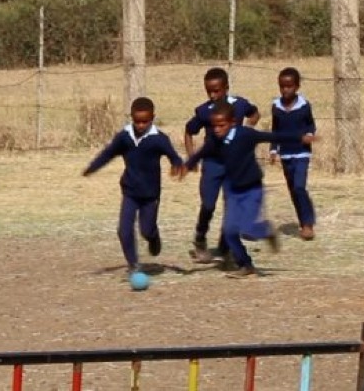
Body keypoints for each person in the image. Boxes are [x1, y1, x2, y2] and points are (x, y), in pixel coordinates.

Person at [184, 101, 313, 278]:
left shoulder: (246, 134)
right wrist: (187, 165)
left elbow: (272, 136)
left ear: (232, 122)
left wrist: (300, 137)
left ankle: (266, 230)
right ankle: (246, 265)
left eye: (221, 125)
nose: (217, 129)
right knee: (229, 232)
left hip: (252, 188)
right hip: (232, 189)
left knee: (248, 229)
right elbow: (203, 152)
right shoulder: (215, 139)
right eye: (214, 126)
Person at [82, 97, 184, 272]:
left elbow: (173, 156)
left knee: (146, 230)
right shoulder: (125, 137)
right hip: (130, 192)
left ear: (152, 118)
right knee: (123, 230)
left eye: (145, 121)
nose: (141, 125)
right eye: (137, 121)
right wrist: (92, 167)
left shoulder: (159, 139)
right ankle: (133, 264)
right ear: (131, 117)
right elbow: (108, 153)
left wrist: (177, 165)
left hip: (150, 194)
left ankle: (153, 237)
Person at [184, 67, 259, 263]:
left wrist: (248, 128)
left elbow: (254, 113)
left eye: (216, 91)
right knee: (208, 204)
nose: (212, 95)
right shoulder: (204, 111)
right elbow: (189, 131)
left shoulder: (239, 105)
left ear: (226, 88)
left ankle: (225, 248)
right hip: (212, 164)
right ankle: (200, 238)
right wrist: (191, 156)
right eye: (209, 91)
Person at [269, 68, 317, 241]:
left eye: (289, 86)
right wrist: (273, 149)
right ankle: (303, 220)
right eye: (282, 86)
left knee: (299, 187)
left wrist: (309, 135)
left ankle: (308, 224)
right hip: (286, 154)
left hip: (302, 153)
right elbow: (275, 130)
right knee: (293, 191)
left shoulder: (304, 106)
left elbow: (311, 125)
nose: (285, 90)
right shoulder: (276, 106)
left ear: (297, 87)